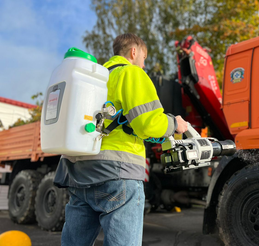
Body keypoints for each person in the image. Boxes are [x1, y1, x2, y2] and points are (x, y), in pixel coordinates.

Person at [54, 33, 188, 246]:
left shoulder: (95, 77)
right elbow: (148, 124)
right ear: (134, 52)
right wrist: (175, 124)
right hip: (118, 174)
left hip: (79, 172)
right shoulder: (131, 73)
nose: (143, 66)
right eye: (143, 59)